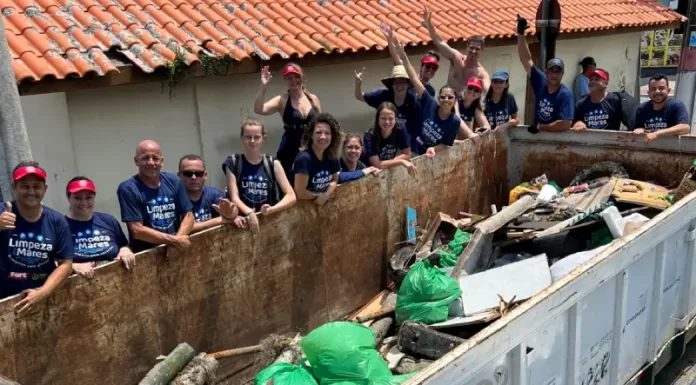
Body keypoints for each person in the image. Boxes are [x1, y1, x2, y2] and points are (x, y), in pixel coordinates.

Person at [0, 162, 73, 315]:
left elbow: (65, 263)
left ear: (45, 189)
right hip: (5, 301)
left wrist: (43, 293)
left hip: (43, 299)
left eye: (36, 186)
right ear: (14, 186)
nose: (31, 191)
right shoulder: (2, 212)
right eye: (25, 186)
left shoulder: (57, 221)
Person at [381, 23, 461, 158]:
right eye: (428, 66)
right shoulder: (408, 79)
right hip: (396, 128)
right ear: (421, 66)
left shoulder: (430, 92)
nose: (430, 70)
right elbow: (399, 61)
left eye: (434, 68)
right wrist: (390, 41)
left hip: (414, 136)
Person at [116, 140, 194, 253]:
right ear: (136, 161)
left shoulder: (173, 181)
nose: (151, 162)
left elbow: (189, 215)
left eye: (155, 158)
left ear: (161, 161)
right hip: (147, 256)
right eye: (145, 158)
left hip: (176, 251)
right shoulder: (128, 189)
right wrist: (174, 241)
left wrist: (177, 240)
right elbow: (137, 230)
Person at [224, 117, 296, 233]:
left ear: (263, 139)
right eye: (248, 137)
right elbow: (234, 197)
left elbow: (291, 196)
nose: (252, 141)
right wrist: (249, 212)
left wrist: (272, 209)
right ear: (242, 138)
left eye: (256, 137)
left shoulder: (273, 163)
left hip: (270, 223)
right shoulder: (233, 162)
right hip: (244, 223)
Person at [253, 63, 321, 176]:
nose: (293, 80)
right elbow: (259, 109)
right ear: (285, 80)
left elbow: (322, 124)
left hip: (312, 146)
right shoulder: (282, 100)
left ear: (302, 78)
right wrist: (264, 87)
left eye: (296, 77)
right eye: (289, 78)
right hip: (291, 148)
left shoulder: (313, 99)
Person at [64, 176, 135, 279]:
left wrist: (125, 251)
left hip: (114, 281)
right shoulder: (60, 226)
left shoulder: (108, 220)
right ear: (69, 197)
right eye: (77, 197)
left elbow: (124, 245)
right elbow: (51, 261)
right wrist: (73, 266)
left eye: (89, 197)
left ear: (94, 197)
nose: (84, 202)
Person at [516, 15, 574, 133]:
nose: (555, 74)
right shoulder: (540, 81)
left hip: (556, 141)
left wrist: (540, 127)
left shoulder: (565, 95)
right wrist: (521, 34)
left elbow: (565, 123)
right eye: (552, 71)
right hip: (537, 138)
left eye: (558, 71)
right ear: (546, 72)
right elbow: (525, 59)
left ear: (562, 74)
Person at [422, 6, 490, 94]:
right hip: (447, 101)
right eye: (472, 48)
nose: (473, 51)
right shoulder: (457, 58)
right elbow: (439, 41)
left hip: (465, 105)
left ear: (482, 50)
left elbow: (489, 89)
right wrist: (429, 23)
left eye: (477, 49)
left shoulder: (480, 73)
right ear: (467, 47)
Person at [354, 65, 421, 147]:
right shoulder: (382, 95)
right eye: (396, 82)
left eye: (403, 82)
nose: (399, 85)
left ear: (408, 84)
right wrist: (358, 84)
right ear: (392, 85)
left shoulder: (413, 101)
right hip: (383, 144)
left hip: (405, 145)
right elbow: (359, 96)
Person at [178, 155, 238, 234]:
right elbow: (183, 229)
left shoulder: (213, 194)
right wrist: (220, 220)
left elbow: (233, 212)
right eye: (188, 173)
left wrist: (231, 212)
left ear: (205, 175)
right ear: (179, 175)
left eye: (199, 173)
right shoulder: (174, 199)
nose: (193, 177)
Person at [293, 113, 342, 205]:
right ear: (311, 135)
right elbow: (300, 193)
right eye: (318, 132)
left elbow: (335, 179)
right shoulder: (304, 159)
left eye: (327, 133)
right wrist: (318, 196)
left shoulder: (332, 155)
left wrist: (327, 194)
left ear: (332, 136)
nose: (323, 137)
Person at [633, 74, 690, 143]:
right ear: (648, 92)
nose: (657, 91)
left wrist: (657, 134)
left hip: (671, 149)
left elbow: (685, 127)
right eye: (653, 89)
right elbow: (637, 129)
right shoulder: (642, 109)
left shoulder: (676, 105)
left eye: (661, 88)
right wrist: (640, 130)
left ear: (668, 90)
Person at [363, 102, 417, 175]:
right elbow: (377, 164)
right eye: (383, 118)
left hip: (385, 169)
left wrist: (391, 163)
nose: (387, 122)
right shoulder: (369, 135)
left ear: (395, 119)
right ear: (378, 119)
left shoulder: (400, 128)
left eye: (391, 118)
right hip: (370, 172)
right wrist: (401, 161)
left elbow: (407, 154)